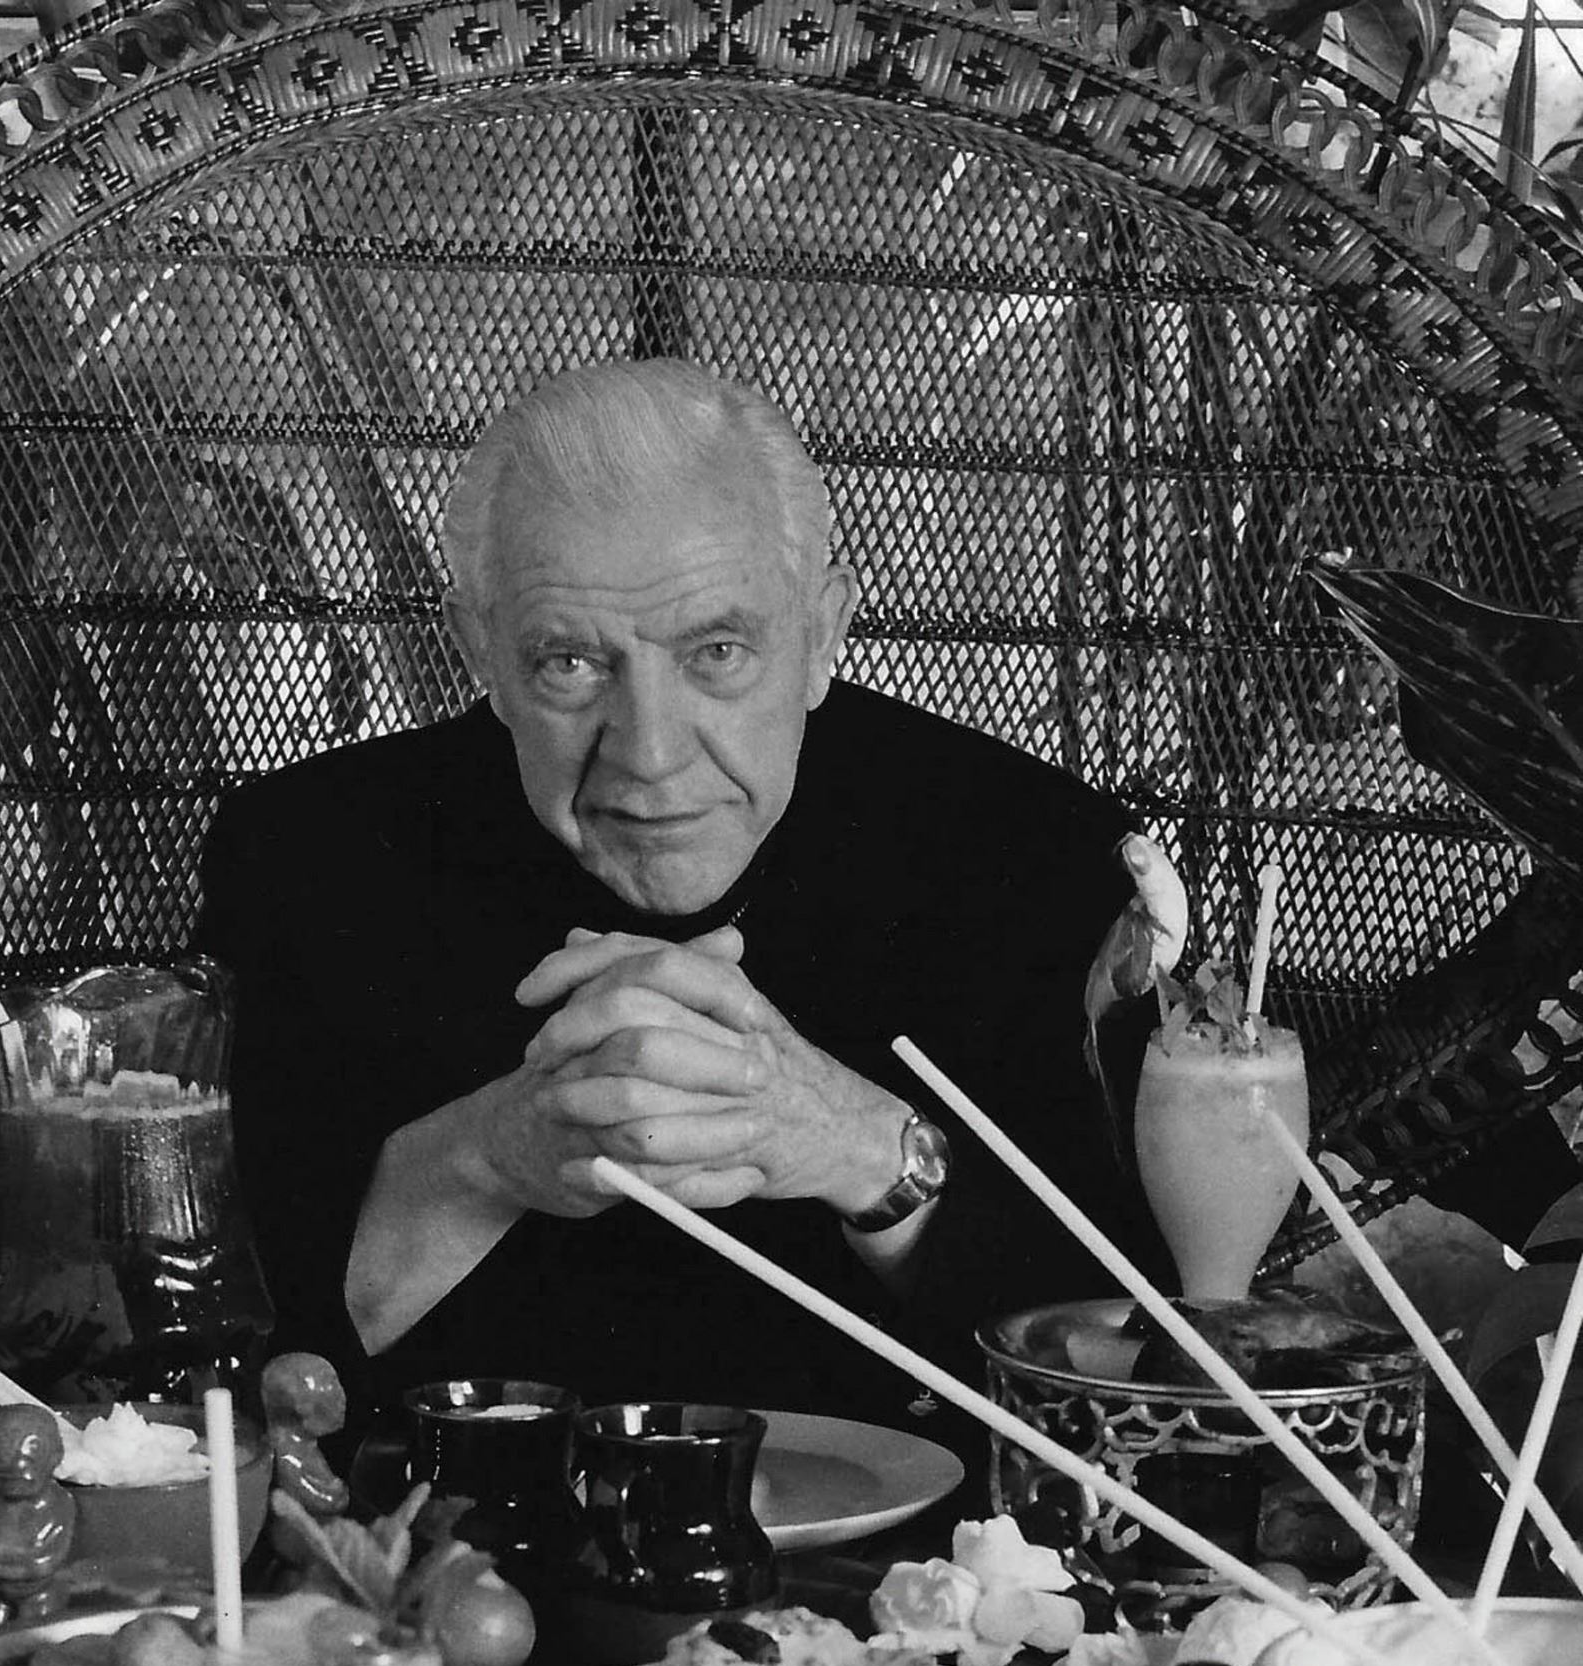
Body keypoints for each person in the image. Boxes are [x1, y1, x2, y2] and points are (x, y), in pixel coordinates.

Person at [196, 358, 1169, 1450]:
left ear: (823, 634)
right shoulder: (305, 859)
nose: (649, 753)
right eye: (570, 663)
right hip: (442, 1537)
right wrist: (489, 1157)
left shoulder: (1033, 854)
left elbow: (1146, 1373)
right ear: (481, 652)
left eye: (717, 652)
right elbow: (221, 1380)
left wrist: (859, 1147)